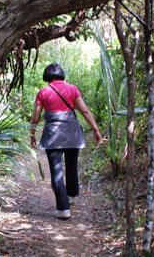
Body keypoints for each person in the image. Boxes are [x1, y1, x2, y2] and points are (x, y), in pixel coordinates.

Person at [30, 63, 102, 219]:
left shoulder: (43, 92)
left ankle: (63, 209)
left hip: (53, 134)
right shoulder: (72, 89)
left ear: (47, 76)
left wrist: (32, 133)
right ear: (61, 74)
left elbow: (36, 117)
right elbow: (84, 111)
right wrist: (96, 129)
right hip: (72, 132)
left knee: (56, 171)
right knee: (71, 165)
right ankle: (71, 196)